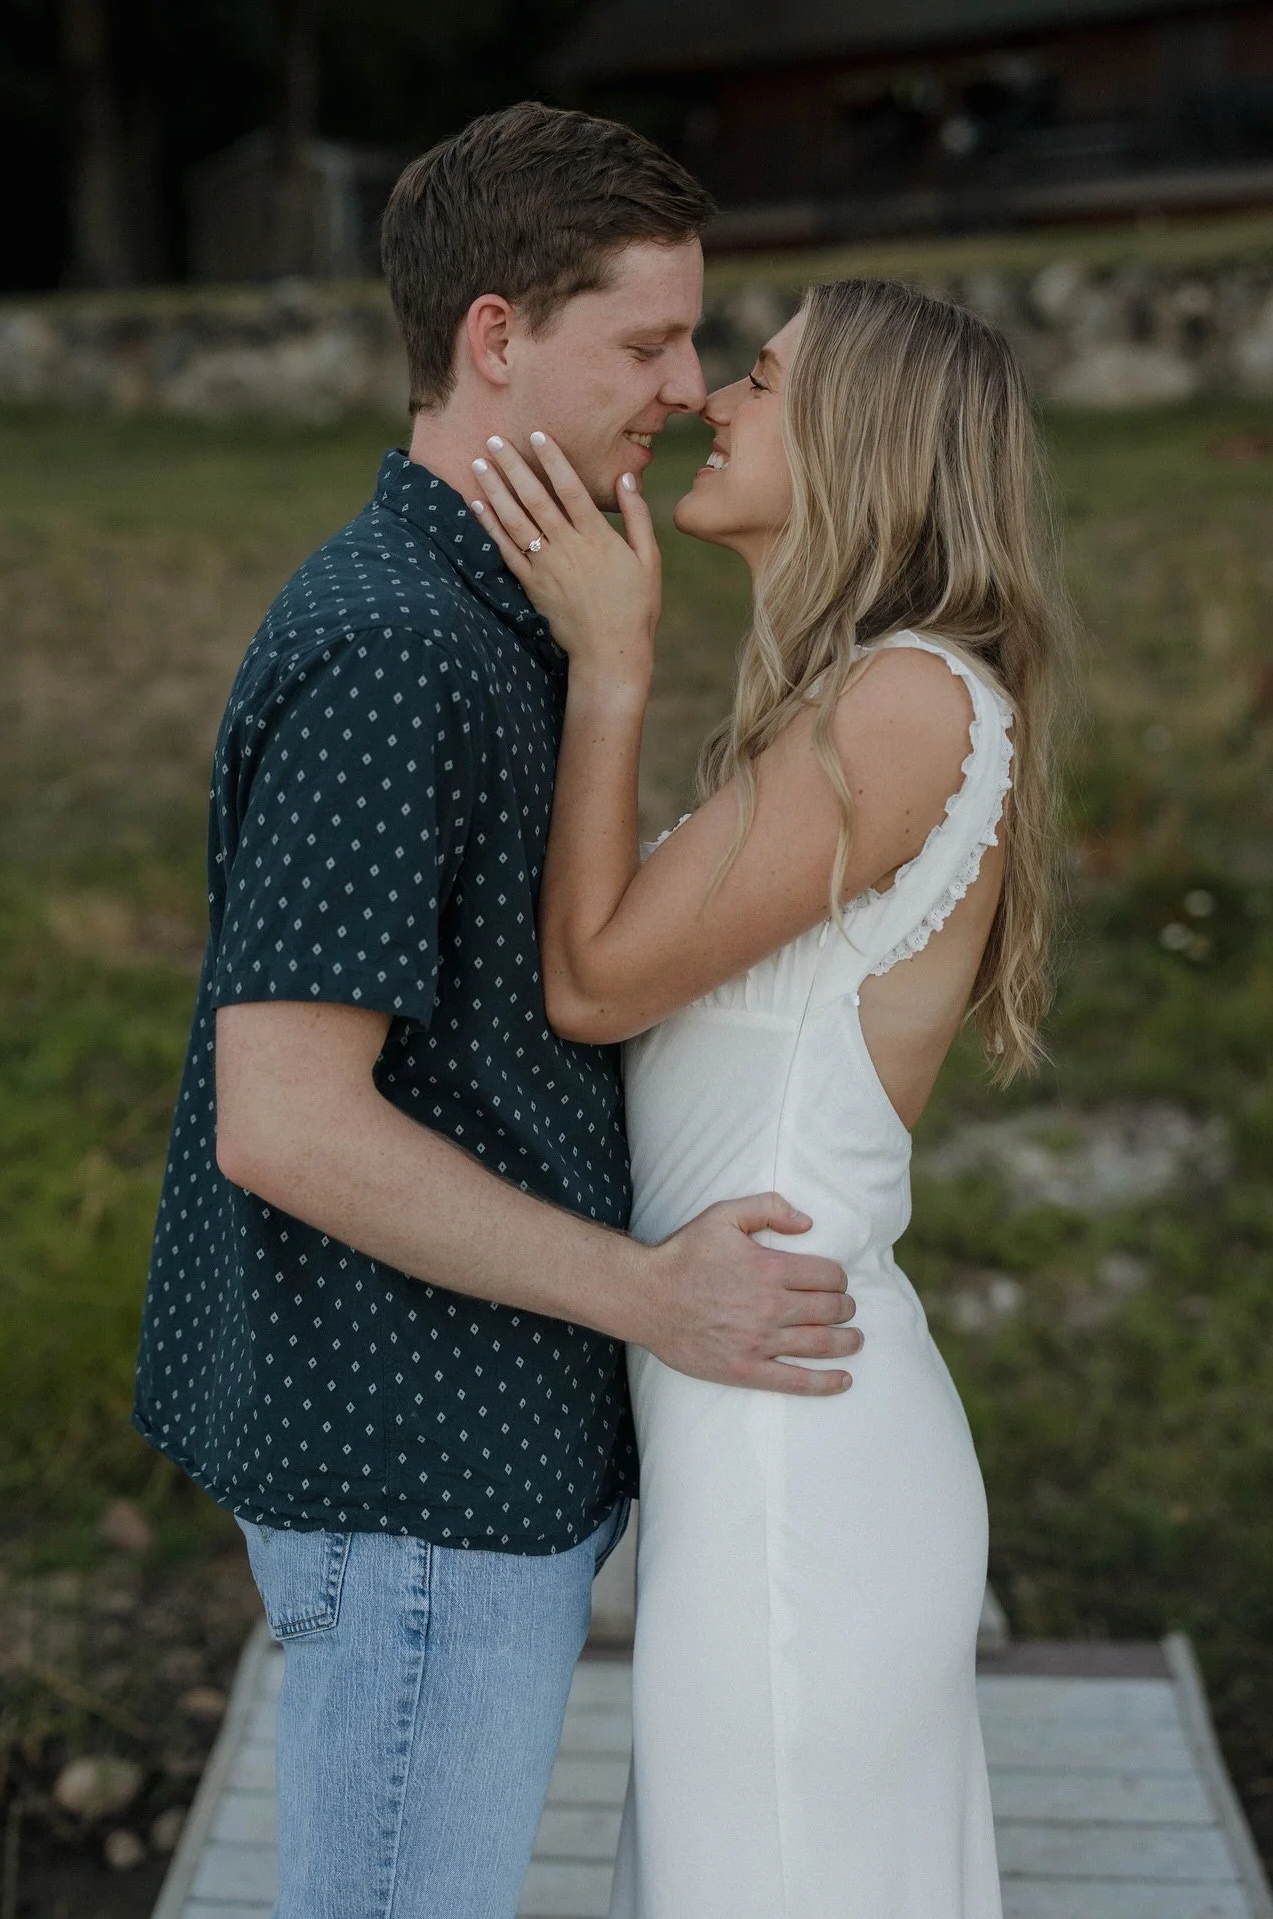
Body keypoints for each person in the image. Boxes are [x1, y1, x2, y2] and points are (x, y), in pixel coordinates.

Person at [132, 104, 861, 1919]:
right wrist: (651, 1292)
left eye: (693, 344)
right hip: (410, 1469)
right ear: (491, 337)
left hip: (462, 1447)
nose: (688, 389)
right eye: (642, 342)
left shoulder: (515, 609)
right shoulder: (397, 648)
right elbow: (282, 1119)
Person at [473, 275, 1067, 1917]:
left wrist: (613, 661)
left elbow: (593, 980)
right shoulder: (858, 699)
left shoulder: (911, 700)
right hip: (754, 1419)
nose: (711, 403)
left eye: (758, 376)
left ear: (864, 439)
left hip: (797, 1464)